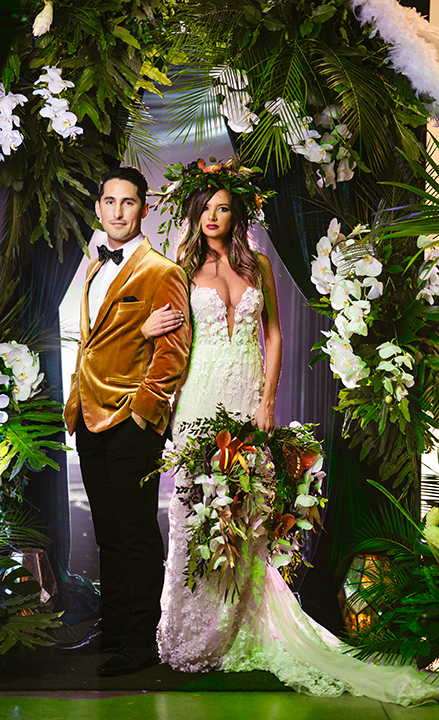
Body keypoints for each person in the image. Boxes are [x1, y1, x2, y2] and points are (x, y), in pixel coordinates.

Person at [143, 158, 438, 706]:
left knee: (249, 517)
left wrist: (268, 399)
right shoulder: (179, 270)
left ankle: (242, 628)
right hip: (198, 395)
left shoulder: (257, 265)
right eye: (206, 209)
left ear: (237, 214)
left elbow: (274, 333)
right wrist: (145, 330)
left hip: (247, 391)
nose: (213, 217)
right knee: (195, 517)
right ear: (195, 214)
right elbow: (164, 336)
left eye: (223, 208)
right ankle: (192, 634)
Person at [58, 166, 190, 676]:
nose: (117, 211)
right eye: (109, 202)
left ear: (143, 209)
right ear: (98, 208)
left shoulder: (162, 272)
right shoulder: (93, 267)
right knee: (108, 533)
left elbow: (171, 357)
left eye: (128, 203)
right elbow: (94, 343)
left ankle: (140, 639)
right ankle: (112, 629)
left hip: (131, 421)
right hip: (88, 417)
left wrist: (143, 416)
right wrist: (75, 401)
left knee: (136, 532)